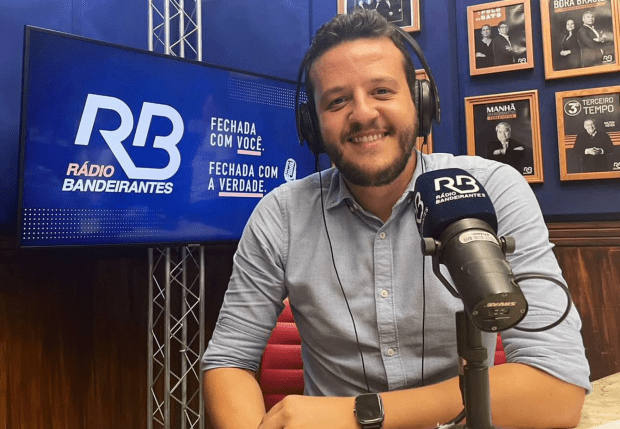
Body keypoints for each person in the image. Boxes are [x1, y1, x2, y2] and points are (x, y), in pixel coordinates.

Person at [202, 10, 590, 429]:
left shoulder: (491, 188)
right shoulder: (280, 215)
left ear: (420, 102)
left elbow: (557, 391)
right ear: (312, 125)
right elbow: (228, 361)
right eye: (336, 101)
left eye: (382, 91)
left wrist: (359, 414)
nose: (363, 113)